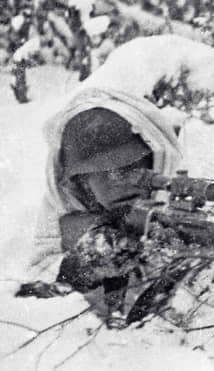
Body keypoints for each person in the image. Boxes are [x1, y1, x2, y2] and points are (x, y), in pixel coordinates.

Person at [22, 86, 184, 328]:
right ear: (80, 181)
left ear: (154, 161)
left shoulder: (182, 201)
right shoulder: (64, 211)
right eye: (102, 173)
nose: (118, 181)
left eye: (130, 167)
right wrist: (81, 265)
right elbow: (27, 300)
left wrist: (172, 267)